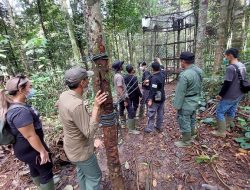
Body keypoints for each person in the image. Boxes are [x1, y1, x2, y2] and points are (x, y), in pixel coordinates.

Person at [0, 75, 55, 189]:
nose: (31, 89)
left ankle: (41, 186)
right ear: (21, 89)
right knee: (46, 169)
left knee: (34, 167)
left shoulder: (15, 106)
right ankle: (45, 185)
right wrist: (42, 151)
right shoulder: (20, 111)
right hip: (31, 148)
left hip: (24, 149)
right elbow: (30, 135)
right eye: (30, 87)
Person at [58, 66, 107, 190]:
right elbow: (89, 133)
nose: (88, 80)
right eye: (86, 78)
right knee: (95, 177)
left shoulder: (64, 95)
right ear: (82, 82)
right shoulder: (77, 105)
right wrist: (96, 107)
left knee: (81, 171)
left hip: (71, 148)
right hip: (81, 152)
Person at [212, 48, 247, 137]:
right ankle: (226, 127)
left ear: (230, 55)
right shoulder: (242, 65)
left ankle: (221, 132)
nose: (225, 57)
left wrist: (220, 95)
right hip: (239, 94)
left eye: (226, 55)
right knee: (231, 111)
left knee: (219, 112)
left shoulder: (231, 68)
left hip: (230, 95)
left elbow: (227, 83)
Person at [173, 52, 203, 147]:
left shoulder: (185, 75)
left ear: (183, 61)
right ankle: (192, 135)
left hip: (186, 102)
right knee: (192, 118)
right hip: (195, 99)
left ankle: (186, 141)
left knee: (184, 120)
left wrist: (177, 106)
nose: (180, 63)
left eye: (181, 61)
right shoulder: (199, 71)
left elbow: (180, 92)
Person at [112, 60, 140, 134]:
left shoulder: (117, 75)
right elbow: (120, 88)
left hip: (120, 97)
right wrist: (125, 99)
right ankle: (131, 129)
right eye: (121, 65)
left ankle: (124, 124)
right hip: (123, 97)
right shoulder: (119, 77)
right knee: (130, 111)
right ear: (119, 67)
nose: (122, 66)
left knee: (121, 109)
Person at [144, 61, 165, 133]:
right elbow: (162, 70)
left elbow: (153, 90)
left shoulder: (154, 78)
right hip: (162, 96)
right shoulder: (162, 74)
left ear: (152, 69)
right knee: (160, 112)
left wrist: (150, 99)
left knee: (152, 112)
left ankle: (150, 128)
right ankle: (159, 126)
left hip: (157, 96)